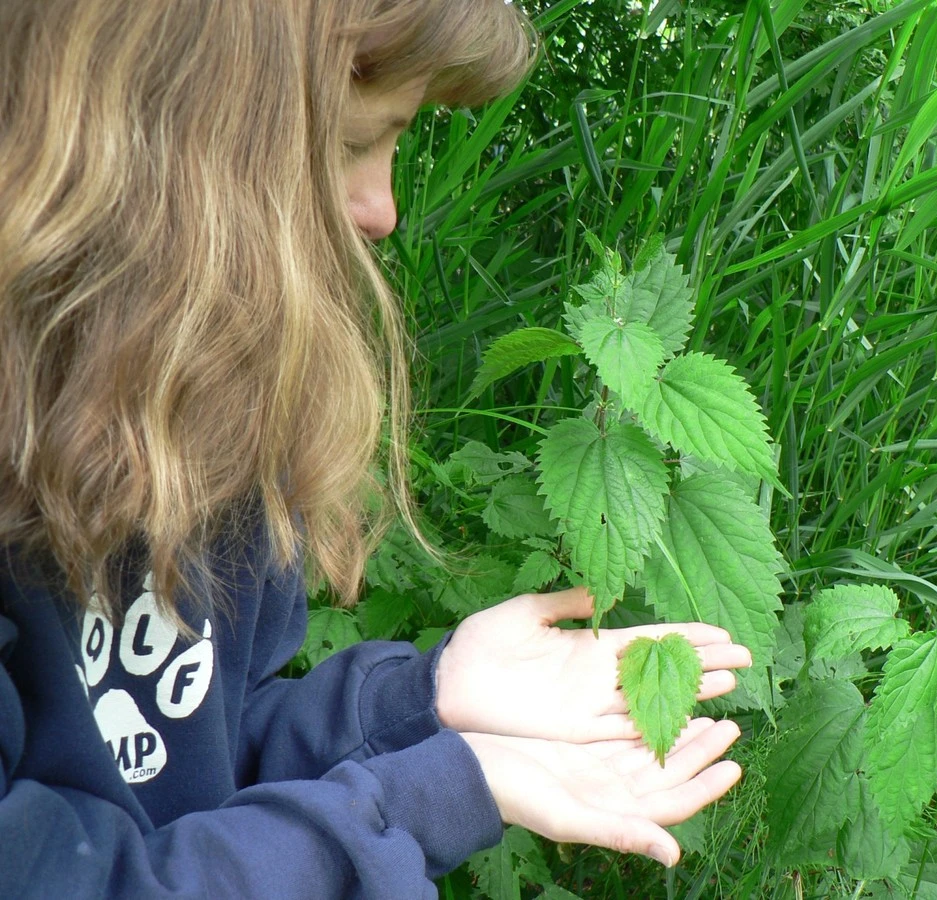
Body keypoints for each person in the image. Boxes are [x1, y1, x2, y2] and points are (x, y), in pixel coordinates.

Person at [0, 1, 752, 897]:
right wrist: (429, 795)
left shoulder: (200, 397)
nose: (383, 209)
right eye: (356, 140)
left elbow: (197, 750)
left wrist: (418, 706)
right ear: (174, 137)